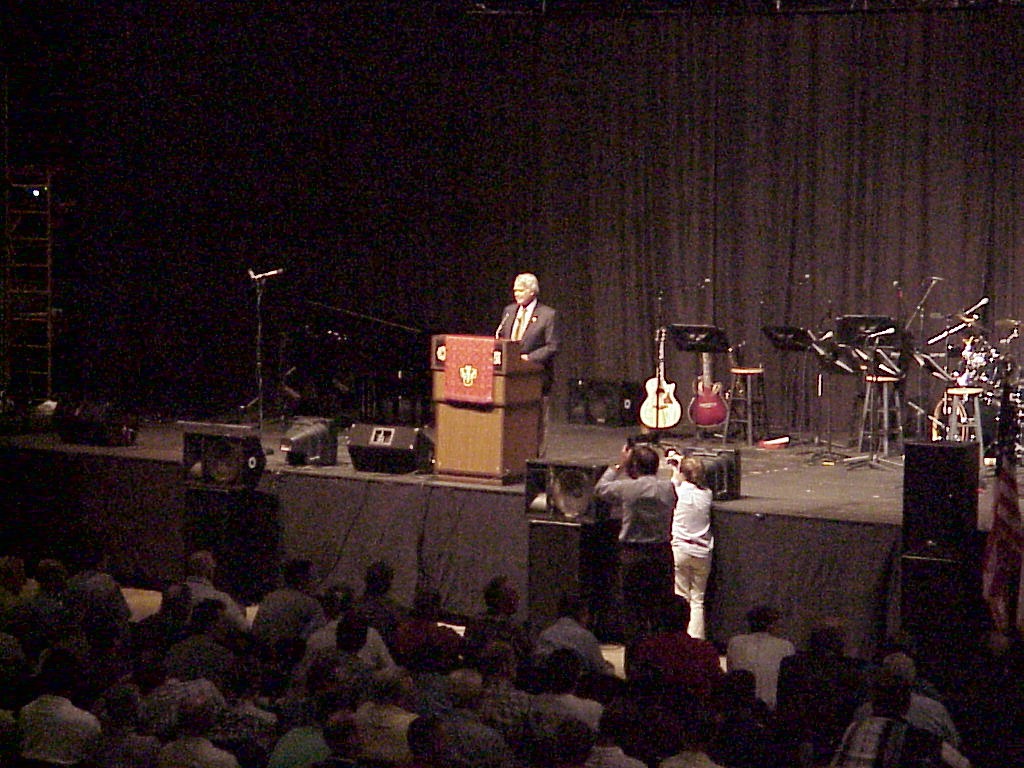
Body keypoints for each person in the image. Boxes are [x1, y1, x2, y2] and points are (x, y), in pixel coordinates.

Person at [594, 443, 677, 635]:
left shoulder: (628, 488)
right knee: (659, 609)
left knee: (632, 611)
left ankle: (634, 649)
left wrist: (619, 465)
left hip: (633, 555)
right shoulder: (668, 488)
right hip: (661, 553)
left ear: (634, 466)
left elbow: (600, 489)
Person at [496, 272, 560, 456]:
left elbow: (553, 346)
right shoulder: (509, 311)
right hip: (510, 377)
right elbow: (502, 338)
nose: (516, 294)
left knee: (538, 421)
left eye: (521, 290)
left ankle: (538, 459)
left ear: (532, 291)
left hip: (535, 377)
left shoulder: (548, 315)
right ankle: (513, 456)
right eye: (515, 290)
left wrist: (529, 358)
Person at [666, 452, 714, 639]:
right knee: (697, 600)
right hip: (702, 552)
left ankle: (679, 638)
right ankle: (696, 641)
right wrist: (680, 467)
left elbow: (675, 482)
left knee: (681, 596)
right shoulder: (707, 494)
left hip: (681, 550)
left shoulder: (679, 490)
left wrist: (675, 467)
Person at [725, 605, 795, 711]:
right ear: (771, 625)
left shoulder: (735, 643)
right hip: (773, 709)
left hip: (741, 707)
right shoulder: (786, 647)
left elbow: (731, 674)